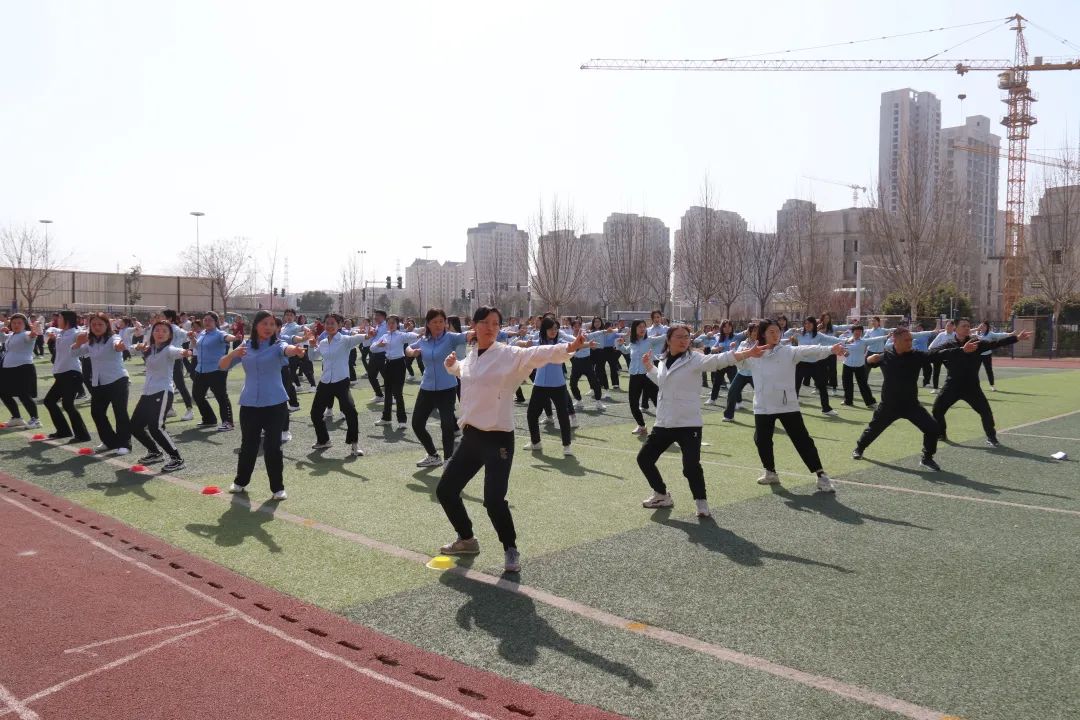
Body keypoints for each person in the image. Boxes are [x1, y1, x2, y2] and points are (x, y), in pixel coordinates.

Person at [435, 306, 586, 574]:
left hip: (498, 440)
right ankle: (467, 539)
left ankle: (510, 548)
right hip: (471, 437)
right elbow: (465, 373)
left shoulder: (508, 355)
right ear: (475, 325)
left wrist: (568, 347)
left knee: (493, 500)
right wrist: (452, 366)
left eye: (496, 323)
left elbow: (537, 353)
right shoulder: (470, 357)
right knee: (446, 491)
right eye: (486, 322)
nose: (491, 327)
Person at [638, 325, 764, 517]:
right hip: (664, 421)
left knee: (691, 467)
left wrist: (747, 353)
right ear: (668, 340)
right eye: (679, 337)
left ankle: (701, 502)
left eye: (686, 337)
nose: (683, 340)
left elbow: (718, 360)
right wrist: (650, 368)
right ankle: (661, 494)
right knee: (644, 459)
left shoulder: (694, 359)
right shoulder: (662, 360)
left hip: (689, 423)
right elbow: (664, 383)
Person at [736, 319, 846, 493]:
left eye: (777, 331)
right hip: (763, 406)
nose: (775, 334)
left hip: (787, 405)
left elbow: (809, 350)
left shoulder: (788, 352)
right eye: (771, 331)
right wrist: (747, 352)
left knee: (802, 440)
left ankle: (821, 475)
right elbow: (738, 362)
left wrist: (830, 350)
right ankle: (770, 472)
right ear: (763, 334)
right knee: (762, 440)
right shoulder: (754, 354)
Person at [220, 310, 308, 500]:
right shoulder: (246, 346)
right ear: (256, 326)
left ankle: (277, 488)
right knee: (248, 445)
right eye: (264, 323)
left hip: (275, 404)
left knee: (272, 446)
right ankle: (240, 482)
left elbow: (288, 349)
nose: (269, 327)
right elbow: (223, 365)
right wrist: (233, 353)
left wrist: (297, 349)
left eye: (272, 324)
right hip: (249, 404)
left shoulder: (277, 345)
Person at [852, 327, 942, 470]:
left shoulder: (917, 355)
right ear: (895, 340)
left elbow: (936, 354)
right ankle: (859, 448)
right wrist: (868, 360)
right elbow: (870, 362)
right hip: (889, 405)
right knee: (873, 429)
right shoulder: (886, 356)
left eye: (911, 340)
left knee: (933, 428)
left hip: (911, 405)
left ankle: (927, 458)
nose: (910, 343)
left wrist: (961, 350)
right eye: (906, 340)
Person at [930, 321, 1028, 446]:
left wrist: (1017, 338)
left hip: (972, 387)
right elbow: (933, 353)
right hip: (952, 386)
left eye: (968, 326)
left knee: (985, 412)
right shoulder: (948, 344)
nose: (967, 328)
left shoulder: (977, 343)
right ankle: (941, 434)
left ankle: (991, 437)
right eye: (963, 326)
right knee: (937, 410)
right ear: (955, 328)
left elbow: (996, 343)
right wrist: (960, 350)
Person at [406, 308, 467, 468]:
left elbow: (467, 335)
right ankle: (433, 455)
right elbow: (408, 348)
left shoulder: (450, 338)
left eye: (442, 321)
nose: (439, 325)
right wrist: (412, 352)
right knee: (417, 424)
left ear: (446, 323)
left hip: (447, 388)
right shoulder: (424, 340)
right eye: (435, 322)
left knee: (447, 425)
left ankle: (448, 459)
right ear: (428, 324)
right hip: (426, 388)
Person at [130, 322, 191, 471]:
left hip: (163, 391)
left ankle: (177, 459)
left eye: (164, 331)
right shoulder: (150, 349)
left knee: (155, 427)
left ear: (170, 335)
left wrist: (186, 352)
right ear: (152, 333)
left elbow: (180, 352)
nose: (160, 333)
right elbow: (131, 350)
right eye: (157, 330)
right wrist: (136, 347)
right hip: (147, 392)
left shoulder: (169, 349)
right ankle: (155, 452)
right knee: (135, 426)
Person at [305, 313, 365, 456]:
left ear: (339, 325)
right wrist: (311, 346)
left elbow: (361, 337)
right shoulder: (324, 342)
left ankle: (354, 445)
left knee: (351, 411)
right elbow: (312, 357)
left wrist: (368, 334)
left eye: (333, 323)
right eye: (327, 323)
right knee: (315, 414)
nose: (329, 326)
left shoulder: (345, 340)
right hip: (325, 382)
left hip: (341, 382)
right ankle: (324, 440)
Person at [72, 312, 132, 455]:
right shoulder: (90, 341)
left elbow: (117, 345)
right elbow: (74, 354)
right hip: (98, 382)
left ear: (107, 325)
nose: (97, 327)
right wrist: (78, 343)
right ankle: (110, 441)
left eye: (100, 324)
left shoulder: (113, 338)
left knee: (120, 412)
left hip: (118, 380)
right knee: (97, 412)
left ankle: (125, 444)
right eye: (93, 325)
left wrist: (120, 346)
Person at [521, 317, 578, 456]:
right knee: (531, 415)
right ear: (544, 329)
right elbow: (524, 345)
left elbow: (572, 346)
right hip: (540, 384)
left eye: (555, 329)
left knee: (563, 415)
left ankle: (567, 445)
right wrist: (522, 342)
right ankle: (536, 442)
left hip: (558, 384)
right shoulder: (538, 342)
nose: (554, 331)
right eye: (551, 329)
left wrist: (586, 343)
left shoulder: (560, 343)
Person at [43, 310, 92, 442]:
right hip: (61, 375)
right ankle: (64, 431)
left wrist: (84, 338)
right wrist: (49, 333)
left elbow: (85, 337)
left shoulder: (75, 333)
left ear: (67, 320)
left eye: (59, 318)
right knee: (49, 401)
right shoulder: (61, 332)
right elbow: (49, 330)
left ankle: (83, 435)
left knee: (67, 404)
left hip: (72, 373)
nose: (56, 320)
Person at [190, 312, 238, 431]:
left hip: (217, 370)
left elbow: (227, 337)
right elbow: (197, 347)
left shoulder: (219, 333)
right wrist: (192, 339)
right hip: (200, 370)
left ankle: (228, 422)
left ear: (215, 322)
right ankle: (209, 419)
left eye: (210, 320)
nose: (207, 322)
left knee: (221, 396)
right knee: (197, 395)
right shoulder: (202, 333)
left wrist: (235, 338)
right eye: (205, 320)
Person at [617, 319, 666, 435]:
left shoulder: (650, 340)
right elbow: (625, 350)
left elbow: (665, 336)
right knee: (633, 403)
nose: (643, 329)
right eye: (640, 327)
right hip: (634, 376)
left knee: (656, 401)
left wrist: (672, 330)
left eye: (644, 327)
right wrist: (620, 344)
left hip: (649, 375)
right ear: (634, 329)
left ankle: (665, 426)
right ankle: (642, 426)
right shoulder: (633, 343)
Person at [371, 315, 419, 429]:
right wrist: (379, 344)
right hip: (388, 364)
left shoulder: (401, 335)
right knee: (388, 393)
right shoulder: (384, 336)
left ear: (397, 324)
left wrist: (419, 334)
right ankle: (386, 418)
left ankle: (402, 420)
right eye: (389, 323)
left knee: (398, 393)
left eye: (393, 323)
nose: (391, 325)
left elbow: (413, 336)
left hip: (399, 365)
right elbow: (372, 348)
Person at [792, 316, 842, 416]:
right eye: (805, 324)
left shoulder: (818, 335)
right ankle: (792, 406)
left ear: (814, 325)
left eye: (810, 323)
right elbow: (786, 334)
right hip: (801, 363)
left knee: (822, 386)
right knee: (795, 386)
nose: (807, 326)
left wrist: (846, 340)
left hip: (816, 364)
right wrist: (794, 329)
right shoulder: (799, 334)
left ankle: (826, 409)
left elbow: (831, 339)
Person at [0, 314, 42, 428]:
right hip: (8, 370)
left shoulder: (25, 334)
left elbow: (31, 336)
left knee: (24, 394)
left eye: (19, 323)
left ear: (25, 325)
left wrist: (33, 334)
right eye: (14, 323)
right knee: (3, 393)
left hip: (23, 369)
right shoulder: (11, 335)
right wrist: (1, 330)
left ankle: (35, 420)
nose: (16, 325)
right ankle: (16, 417)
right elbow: (1, 338)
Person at [839, 325, 889, 408]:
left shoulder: (864, 341)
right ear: (853, 331)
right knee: (847, 384)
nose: (858, 333)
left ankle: (870, 402)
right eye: (856, 331)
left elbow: (875, 339)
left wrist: (886, 336)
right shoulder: (847, 340)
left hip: (860, 366)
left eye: (860, 331)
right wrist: (844, 352)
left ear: (862, 333)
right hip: (847, 365)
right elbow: (844, 350)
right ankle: (848, 401)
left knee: (863, 384)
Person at [721, 321, 760, 422]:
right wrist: (735, 349)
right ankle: (729, 416)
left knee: (762, 394)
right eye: (754, 331)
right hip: (742, 373)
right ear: (749, 332)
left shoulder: (761, 343)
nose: (756, 333)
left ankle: (768, 417)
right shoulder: (743, 343)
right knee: (732, 392)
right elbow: (738, 355)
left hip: (755, 373)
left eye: (757, 331)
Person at [162, 309, 194, 421]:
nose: (161, 318)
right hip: (165, 360)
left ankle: (190, 410)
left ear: (169, 318)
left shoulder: (174, 328)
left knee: (180, 384)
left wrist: (189, 334)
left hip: (176, 359)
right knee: (166, 384)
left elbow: (184, 333)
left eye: (163, 316)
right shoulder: (163, 328)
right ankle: (170, 409)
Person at [975, 320, 1009, 391]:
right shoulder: (977, 333)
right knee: (975, 371)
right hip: (977, 355)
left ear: (987, 327)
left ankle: (992, 385)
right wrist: (976, 329)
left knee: (989, 370)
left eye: (984, 326)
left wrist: (1009, 334)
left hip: (987, 355)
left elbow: (999, 335)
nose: (982, 327)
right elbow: (968, 333)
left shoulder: (990, 334)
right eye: (981, 326)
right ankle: (975, 386)